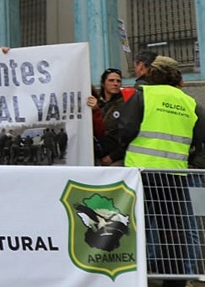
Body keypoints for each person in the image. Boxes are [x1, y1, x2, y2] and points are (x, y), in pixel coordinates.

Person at [119, 56, 205, 286]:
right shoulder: (189, 102)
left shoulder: (143, 95)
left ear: (153, 74)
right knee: (172, 231)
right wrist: (194, 163)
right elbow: (201, 139)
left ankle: (135, 274)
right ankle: (173, 279)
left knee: (138, 225)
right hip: (174, 176)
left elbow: (125, 129)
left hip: (141, 173)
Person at [86, 68, 132, 166]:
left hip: (117, 157)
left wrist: (113, 156)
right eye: (111, 80)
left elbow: (129, 133)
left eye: (118, 81)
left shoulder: (127, 103)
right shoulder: (95, 103)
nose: (115, 84)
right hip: (97, 155)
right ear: (103, 83)